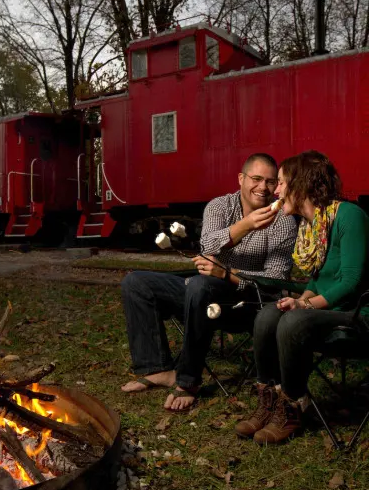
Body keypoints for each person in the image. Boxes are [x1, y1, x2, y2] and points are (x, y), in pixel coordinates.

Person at [121, 153, 297, 412]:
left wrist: (228, 274)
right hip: (205, 291)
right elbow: (208, 246)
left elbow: (275, 281)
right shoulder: (220, 206)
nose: (263, 187)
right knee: (136, 282)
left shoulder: (283, 220)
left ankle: (188, 381)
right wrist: (245, 225)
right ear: (241, 178)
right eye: (256, 179)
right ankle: (157, 369)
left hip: (247, 301)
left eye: (271, 182)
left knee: (200, 286)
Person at [235, 150, 369, 444]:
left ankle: (293, 405)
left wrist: (304, 304)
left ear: (301, 184)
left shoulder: (349, 216)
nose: (276, 190)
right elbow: (318, 279)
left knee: (293, 321)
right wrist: (302, 297)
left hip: (357, 314)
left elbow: (350, 282)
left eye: (281, 182)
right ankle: (268, 399)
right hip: (327, 311)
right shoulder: (313, 225)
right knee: (269, 313)